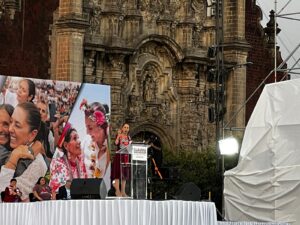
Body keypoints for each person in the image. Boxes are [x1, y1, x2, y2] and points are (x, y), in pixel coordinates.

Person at [0, 102, 48, 201]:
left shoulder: (37, 165)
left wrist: (13, 159)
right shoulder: (11, 149)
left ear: (32, 135)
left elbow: (6, 198)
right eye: (11, 122)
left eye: (17, 125)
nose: (10, 129)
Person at [49, 123, 87, 200]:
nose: (79, 141)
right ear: (66, 145)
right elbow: (55, 192)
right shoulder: (58, 163)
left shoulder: (81, 163)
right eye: (75, 138)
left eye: (78, 138)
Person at [80, 99, 111, 188]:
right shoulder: (85, 142)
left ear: (101, 126)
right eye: (86, 127)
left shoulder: (112, 146)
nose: (87, 132)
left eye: (90, 128)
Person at [111, 123, 131, 197]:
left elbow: (130, 147)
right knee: (117, 173)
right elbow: (116, 143)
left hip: (125, 156)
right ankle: (117, 191)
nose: (126, 129)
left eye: (127, 127)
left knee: (124, 174)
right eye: (125, 127)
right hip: (119, 156)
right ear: (122, 128)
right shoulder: (119, 135)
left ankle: (123, 192)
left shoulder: (128, 137)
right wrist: (118, 136)